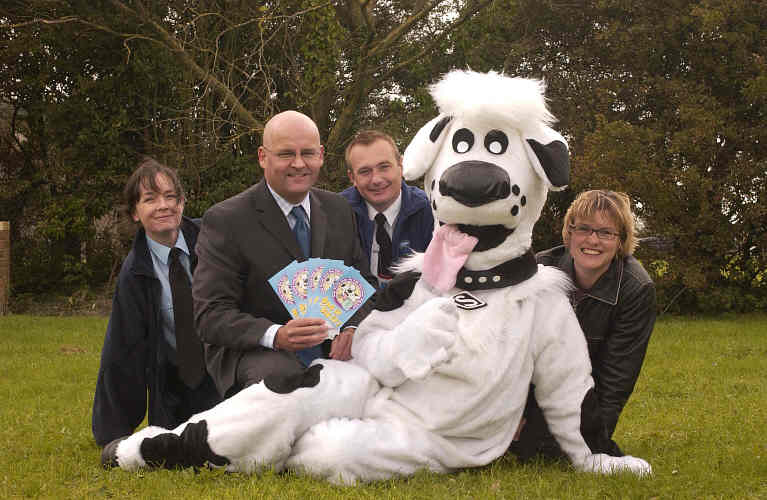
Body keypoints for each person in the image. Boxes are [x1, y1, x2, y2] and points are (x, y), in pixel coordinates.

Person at [193, 110, 375, 399]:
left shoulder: (339, 210)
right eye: (286, 153)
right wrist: (276, 335)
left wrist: (353, 326)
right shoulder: (227, 220)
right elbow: (211, 315)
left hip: (332, 343)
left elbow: (364, 285)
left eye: (308, 153)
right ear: (263, 156)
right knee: (286, 381)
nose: (299, 164)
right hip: (257, 349)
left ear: (322, 155)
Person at [511, 189, 656, 460]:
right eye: (584, 229)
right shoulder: (541, 270)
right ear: (569, 233)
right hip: (532, 390)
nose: (593, 240)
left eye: (606, 232)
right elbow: (516, 353)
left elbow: (616, 378)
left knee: (548, 452)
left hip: (583, 396)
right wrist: (515, 414)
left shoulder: (636, 289)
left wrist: (594, 438)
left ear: (620, 240)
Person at [92, 158, 220, 448]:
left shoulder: (214, 240)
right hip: (176, 390)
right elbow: (123, 351)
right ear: (135, 213)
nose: (163, 205)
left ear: (183, 203)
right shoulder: (133, 274)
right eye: (150, 199)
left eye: (170, 196)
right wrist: (113, 432)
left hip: (226, 375)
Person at [340, 130, 434, 286]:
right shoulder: (337, 214)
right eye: (365, 171)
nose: (376, 179)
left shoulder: (429, 212)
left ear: (400, 165)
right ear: (352, 178)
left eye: (384, 167)